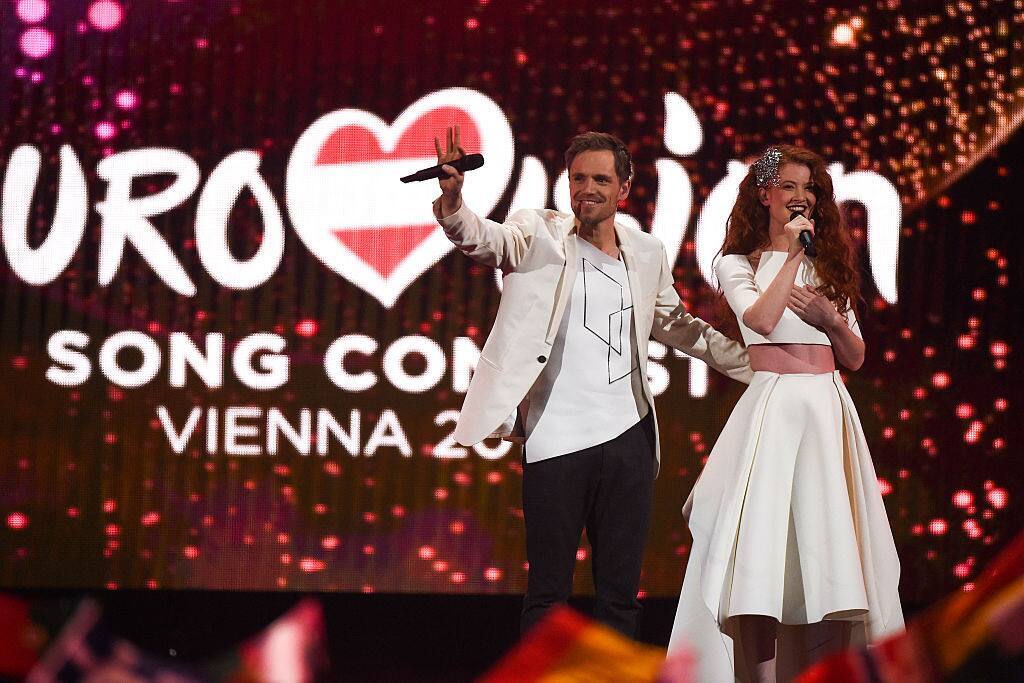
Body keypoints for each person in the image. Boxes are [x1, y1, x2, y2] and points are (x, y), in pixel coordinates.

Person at [431, 127, 752, 637]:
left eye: (601, 179)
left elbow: (677, 325)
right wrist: (453, 202)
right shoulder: (537, 231)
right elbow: (482, 239)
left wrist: (756, 364)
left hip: (629, 437)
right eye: (579, 178)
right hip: (556, 439)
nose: (588, 189)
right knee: (548, 595)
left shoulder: (646, 251)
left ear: (623, 189)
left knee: (620, 597)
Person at [667, 145, 904, 681]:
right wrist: (793, 256)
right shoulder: (737, 263)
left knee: (830, 553)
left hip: (826, 412)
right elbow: (763, 320)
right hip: (773, 411)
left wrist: (831, 318)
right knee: (761, 555)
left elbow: (856, 355)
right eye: (790, 186)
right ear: (764, 193)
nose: (801, 198)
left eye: (810, 188)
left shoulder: (832, 267)